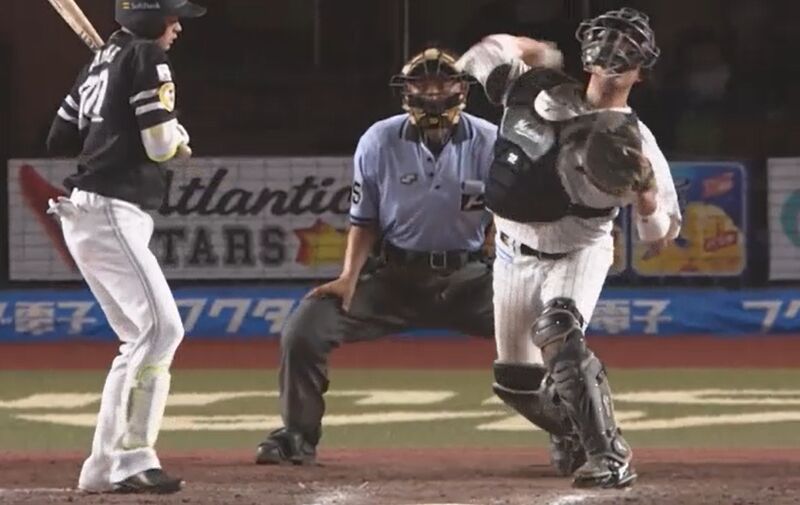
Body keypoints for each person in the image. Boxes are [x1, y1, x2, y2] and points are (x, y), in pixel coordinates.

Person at [456, 8, 681, 489]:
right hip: (512, 252)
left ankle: (610, 455)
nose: (615, 54)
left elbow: (659, 235)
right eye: (609, 42)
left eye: (627, 49)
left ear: (641, 71)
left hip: (578, 251)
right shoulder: (535, 89)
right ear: (587, 54)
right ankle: (576, 429)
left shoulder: (636, 139)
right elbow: (482, 55)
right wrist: (537, 49)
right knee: (515, 383)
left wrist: (646, 199)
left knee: (557, 330)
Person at [254, 48, 498, 465]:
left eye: (443, 82)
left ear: (462, 88)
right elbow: (363, 220)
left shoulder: (490, 139)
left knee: (545, 331)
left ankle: (572, 436)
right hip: (394, 279)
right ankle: (297, 435)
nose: (433, 92)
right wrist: (348, 278)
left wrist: (504, 256)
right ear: (406, 90)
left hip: (470, 280)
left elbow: (511, 210)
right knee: (304, 329)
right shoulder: (379, 140)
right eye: (422, 83)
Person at [45, 0, 205, 494]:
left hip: (89, 212)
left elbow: (59, 138)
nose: (177, 26)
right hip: (111, 210)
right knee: (161, 330)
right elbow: (158, 147)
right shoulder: (147, 57)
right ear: (149, 16)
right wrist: (174, 138)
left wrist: (117, 115)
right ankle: (133, 459)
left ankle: (102, 465)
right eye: (172, 16)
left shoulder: (101, 62)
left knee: (138, 339)